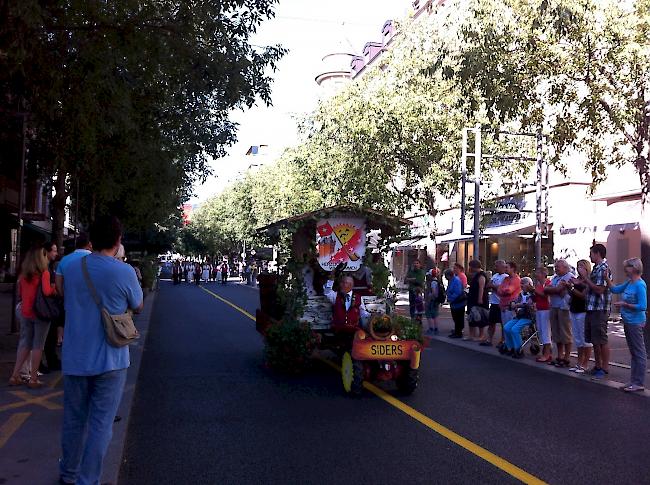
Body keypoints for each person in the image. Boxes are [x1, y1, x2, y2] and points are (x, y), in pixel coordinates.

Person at [58, 216, 143, 485]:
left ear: (91, 239)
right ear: (118, 241)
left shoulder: (70, 267)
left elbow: (61, 294)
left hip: (74, 355)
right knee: (100, 424)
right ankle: (88, 480)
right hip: (111, 358)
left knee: (73, 420)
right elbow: (138, 304)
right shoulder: (123, 271)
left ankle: (67, 475)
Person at [8, 247, 58, 388]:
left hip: (26, 312)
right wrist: (56, 289)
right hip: (40, 313)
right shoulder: (44, 273)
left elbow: (22, 294)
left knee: (25, 343)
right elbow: (47, 291)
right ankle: (33, 378)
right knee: (38, 345)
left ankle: (15, 375)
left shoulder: (23, 275)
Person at [606, 257, 647, 392]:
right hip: (628, 321)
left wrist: (625, 304)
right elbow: (615, 290)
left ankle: (639, 382)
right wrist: (607, 279)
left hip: (636, 322)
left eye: (627, 267)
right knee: (634, 352)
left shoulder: (640, 285)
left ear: (634, 268)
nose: (625, 270)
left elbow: (642, 306)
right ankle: (633, 381)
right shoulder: (629, 282)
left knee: (639, 352)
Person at [578, 244, 612, 380]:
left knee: (601, 340)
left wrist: (585, 278)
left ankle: (604, 367)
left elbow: (599, 289)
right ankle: (598, 366)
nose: (589, 256)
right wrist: (578, 283)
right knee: (594, 340)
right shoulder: (596, 269)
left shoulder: (604, 268)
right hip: (592, 308)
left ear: (598, 253)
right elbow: (589, 288)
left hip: (600, 308)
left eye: (591, 253)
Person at [545, 259, 574, 367]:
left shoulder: (569, 277)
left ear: (565, 267)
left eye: (558, 267)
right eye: (555, 267)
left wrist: (554, 289)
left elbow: (557, 290)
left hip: (564, 307)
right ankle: (559, 356)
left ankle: (567, 357)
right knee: (556, 333)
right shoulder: (555, 277)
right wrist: (554, 289)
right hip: (554, 306)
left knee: (565, 332)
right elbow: (546, 289)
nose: (555, 269)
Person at [566, 260, 592, 373]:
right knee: (577, 338)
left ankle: (585, 364)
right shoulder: (577, 279)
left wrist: (573, 287)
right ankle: (579, 363)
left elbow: (583, 295)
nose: (579, 268)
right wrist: (569, 287)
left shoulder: (588, 280)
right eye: (578, 266)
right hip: (574, 309)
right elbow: (572, 294)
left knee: (584, 338)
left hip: (583, 310)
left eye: (581, 266)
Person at [41, 241, 63, 373]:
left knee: (49, 335)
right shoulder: (46, 270)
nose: (56, 253)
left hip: (47, 306)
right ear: (47, 252)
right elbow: (47, 290)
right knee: (46, 336)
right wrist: (55, 289)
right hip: (47, 306)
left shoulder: (48, 267)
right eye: (54, 251)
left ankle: (50, 360)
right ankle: (47, 362)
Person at [524, 267, 552, 363]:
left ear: (544, 274)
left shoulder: (548, 283)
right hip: (539, 309)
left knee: (545, 332)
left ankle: (547, 354)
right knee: (541, 331)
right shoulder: (538, 284)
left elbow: (545, 295)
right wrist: (531, 292)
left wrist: (533, 290)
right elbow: (537, 297)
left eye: (538, 273)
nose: (536, 275)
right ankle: (546, 352)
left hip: (546, 309)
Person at [501, 277, 535, 358]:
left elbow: (529, 304)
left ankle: (518, 349)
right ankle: (510, 347)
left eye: (523, 283)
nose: (521, 285)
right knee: (506, 327)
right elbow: (515, 301)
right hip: (519, 316)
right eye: (521, 283)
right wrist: (512, 303)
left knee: (514, 329)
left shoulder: (533, 294)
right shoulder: (520, 294)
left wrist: (517, 305)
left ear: (529, 284)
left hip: (528, 317)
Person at [482, 260, 508, 347]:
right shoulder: (495, 275)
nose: (495, 267)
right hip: (493, 302)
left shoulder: (506, 277)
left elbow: (503, 289)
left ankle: (503, 340)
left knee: (503, 323)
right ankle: (489, 339)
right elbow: (488, 285)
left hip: (501, 303)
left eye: (497, 266)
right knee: (491, 322)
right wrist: (495, 287)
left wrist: (494, 286)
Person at [466, 260, 489, 342]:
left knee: (480, 318)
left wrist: (480, 299)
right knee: (471, 317)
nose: (470, 268)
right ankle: (471, 335)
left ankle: (481, 335)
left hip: (478, 300)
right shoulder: (475, 275)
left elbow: (481, 287)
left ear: (474, 267)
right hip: (472, 299)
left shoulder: (481, 275)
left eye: (470, 267)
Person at [497, 261, 521, 327]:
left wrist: (502, 290)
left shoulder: (516, 279)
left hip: (510, 308)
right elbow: (499, 290)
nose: (505, 269)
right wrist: (503, 290)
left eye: (507, 267)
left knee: (509, 328)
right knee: (504, 328)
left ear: (512, 268)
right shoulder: (505, 279)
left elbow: (509, 291)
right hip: (503, 306)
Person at [445, 268, 466, 338]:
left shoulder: (456, 281)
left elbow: (457, 292)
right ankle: (457, 331)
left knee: (458, 318)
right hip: (454, 303)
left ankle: (458, 332)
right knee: (456, 318)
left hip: (458, 303)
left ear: (449, 275)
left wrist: (451, 298)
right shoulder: (452, 280)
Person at [424, 268, 442, 335]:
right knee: (435, 314)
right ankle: (436, 328)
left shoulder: (433, 283)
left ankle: (431, 328)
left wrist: (429, 297)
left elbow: (434, 292)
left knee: (429, 314)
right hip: (436, 300)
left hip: (432, 300)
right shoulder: (437, 281)